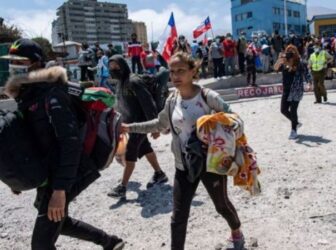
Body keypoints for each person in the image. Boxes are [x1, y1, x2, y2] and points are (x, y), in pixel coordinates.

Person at [1, 38, 124, 250]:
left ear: (36, 63)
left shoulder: (53, 94)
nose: (14, 67)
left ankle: (109, 242)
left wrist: (60, 190)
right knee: (58, 220)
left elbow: (71, 144)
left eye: (20, 62)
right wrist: (17, 177)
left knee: (41, 243)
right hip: (51, 171)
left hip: (73, 169)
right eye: (12, 62)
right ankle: (110, 242)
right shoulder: (27, 95)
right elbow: (29, 139)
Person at [121, 52, 245, 250]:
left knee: (221, 205)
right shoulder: (171, 101)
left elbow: (236, 119)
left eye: (181, 71)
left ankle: (236, 233)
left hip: (210, 164)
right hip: (183, 165)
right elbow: (159, 124)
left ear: (193, 71)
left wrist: (218, 132)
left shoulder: (207, 96)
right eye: (172, 72)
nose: (175, 76)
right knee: (178, 216)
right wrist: (131, 127)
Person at [107, 55, 168, 199]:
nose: (113, 70)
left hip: (139, 124)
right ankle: (159, 173)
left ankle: (122, 187)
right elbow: (121, 104)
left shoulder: (133, 81)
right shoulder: (120, 83)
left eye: (116, 66)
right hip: (129, 124)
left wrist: (155, 127)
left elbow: (148, 103)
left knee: (130, 153)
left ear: (123, 66)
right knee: (145, 147)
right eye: (111, 68)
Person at [274, 44, 311, 139]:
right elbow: (275, 68)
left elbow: (306, 73)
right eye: (288, 51)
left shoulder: (300, 62)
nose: (290, 52)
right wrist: (279, 59)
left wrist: (309, 83)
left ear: (296, 52)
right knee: (283, 110)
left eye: (292, 51)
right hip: (286, 90)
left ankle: (293, 130)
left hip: (296, 90)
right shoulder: (284, 61)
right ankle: (296, 123)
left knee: (293, 110)